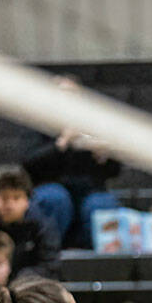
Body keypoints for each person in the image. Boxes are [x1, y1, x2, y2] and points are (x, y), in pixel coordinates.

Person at [23, 75, 122, 248]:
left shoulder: (94, 125)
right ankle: (48, 253)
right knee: (55, 198)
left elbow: (114, 171)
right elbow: (28, 163)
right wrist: (62, 142)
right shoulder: (38, 125)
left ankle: (99, 262)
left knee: (102, 204)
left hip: (88, 192)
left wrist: (105, 156)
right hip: (52, 187)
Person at [0, 165, 60, 280]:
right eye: (4, 198)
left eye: (16, 198)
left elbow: (49, 267)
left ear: (27, 201)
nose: (10, 205)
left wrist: (21, 279)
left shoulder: (43, 226)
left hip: (31, 287)